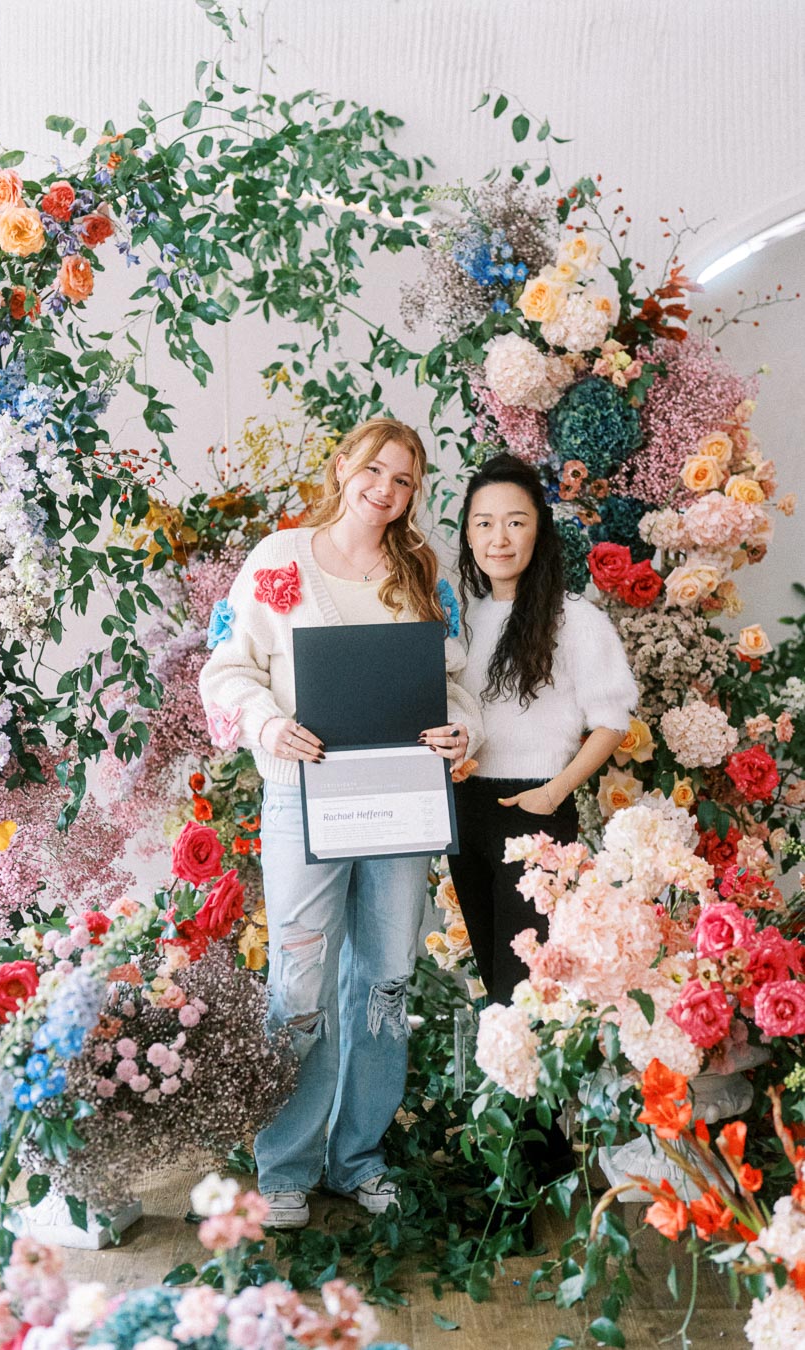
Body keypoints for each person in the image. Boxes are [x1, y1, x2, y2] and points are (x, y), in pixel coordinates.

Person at [199, 416, 482, 1229]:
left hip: (400, 797)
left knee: (385, 980)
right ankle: (283, 1166)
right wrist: (264, 723)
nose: (385, 491)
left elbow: (454, 685)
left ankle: (357, 1157)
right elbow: (227, 668)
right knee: (298, 981)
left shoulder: (423, 574)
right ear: (343, 466)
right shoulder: (278, 561)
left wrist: (465, 731)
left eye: (404, 481)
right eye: (374, 472)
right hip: (301, 796)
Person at [448, 452, 638, 1007]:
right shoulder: (465, 617)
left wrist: (554, 792)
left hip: (535, 814)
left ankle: (542, 1097)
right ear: (468, 534)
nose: (499, 538)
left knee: (531, 993)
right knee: (493, 981)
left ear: (539, 530)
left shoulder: (576, 618)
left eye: (515, 521)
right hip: (465, 810)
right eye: (483, 524)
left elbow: (611, 722)